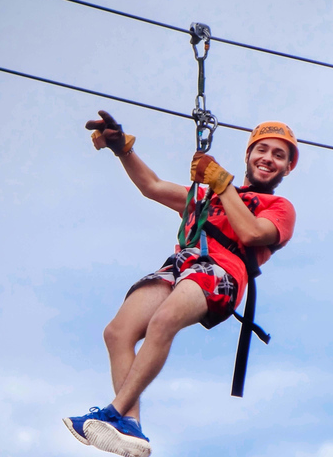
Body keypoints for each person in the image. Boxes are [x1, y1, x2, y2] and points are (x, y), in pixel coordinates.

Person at [63, 110, 298, 457]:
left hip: (222, 272)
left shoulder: (278, 207)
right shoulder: (206, 197)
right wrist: (121, 149)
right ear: (248, 155)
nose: (268, 159)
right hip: (183, 264)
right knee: (117, 332)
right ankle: (130, 429)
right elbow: (152, 186)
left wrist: (222, 182)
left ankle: (115, 414)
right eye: (261, 150)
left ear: (288, 168)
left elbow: (250, 233)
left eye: (279, 155)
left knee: (164, 321)